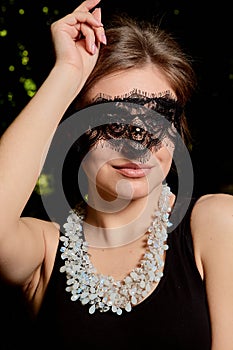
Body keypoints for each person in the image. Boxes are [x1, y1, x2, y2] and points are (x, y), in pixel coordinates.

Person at [0, 0, 232, 349]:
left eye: (158, 119)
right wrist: (67, 73)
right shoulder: (44, 251)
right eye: (110, 122)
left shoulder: (216, 223)